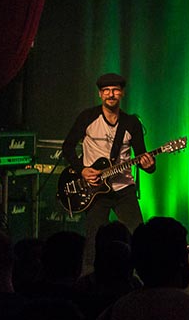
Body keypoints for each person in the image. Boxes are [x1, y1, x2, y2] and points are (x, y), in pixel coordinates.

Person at [61, 72, 155, 272]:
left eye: (115, 90)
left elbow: (141, 156)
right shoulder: (88, 117)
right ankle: (89, 278)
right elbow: (67, 147)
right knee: (94, 239)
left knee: (138, 235)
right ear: (100, 94)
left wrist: (148, 165)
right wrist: (82, 170)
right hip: (95, 190)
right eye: (106, 91)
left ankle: (138, 277)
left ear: (122, 93)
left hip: (124, 188)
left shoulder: (131, 123)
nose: (111, 94)